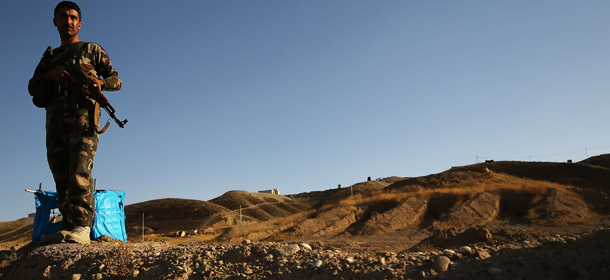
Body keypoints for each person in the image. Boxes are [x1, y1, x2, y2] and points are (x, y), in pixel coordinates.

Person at [28, 1, 122, 244]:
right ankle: (68, 225)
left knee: (80, 169)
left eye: (72, 17)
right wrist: (50, 76)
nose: (68, 21)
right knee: (60, 171)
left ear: (79, 23)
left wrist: (99, 84)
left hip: (83, 115)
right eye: (63, 16)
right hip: (55, 118)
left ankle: (81, 226)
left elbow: (116, 79)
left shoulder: (91, 50)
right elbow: (33, 87)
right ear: (55, 22)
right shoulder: (49, 57)